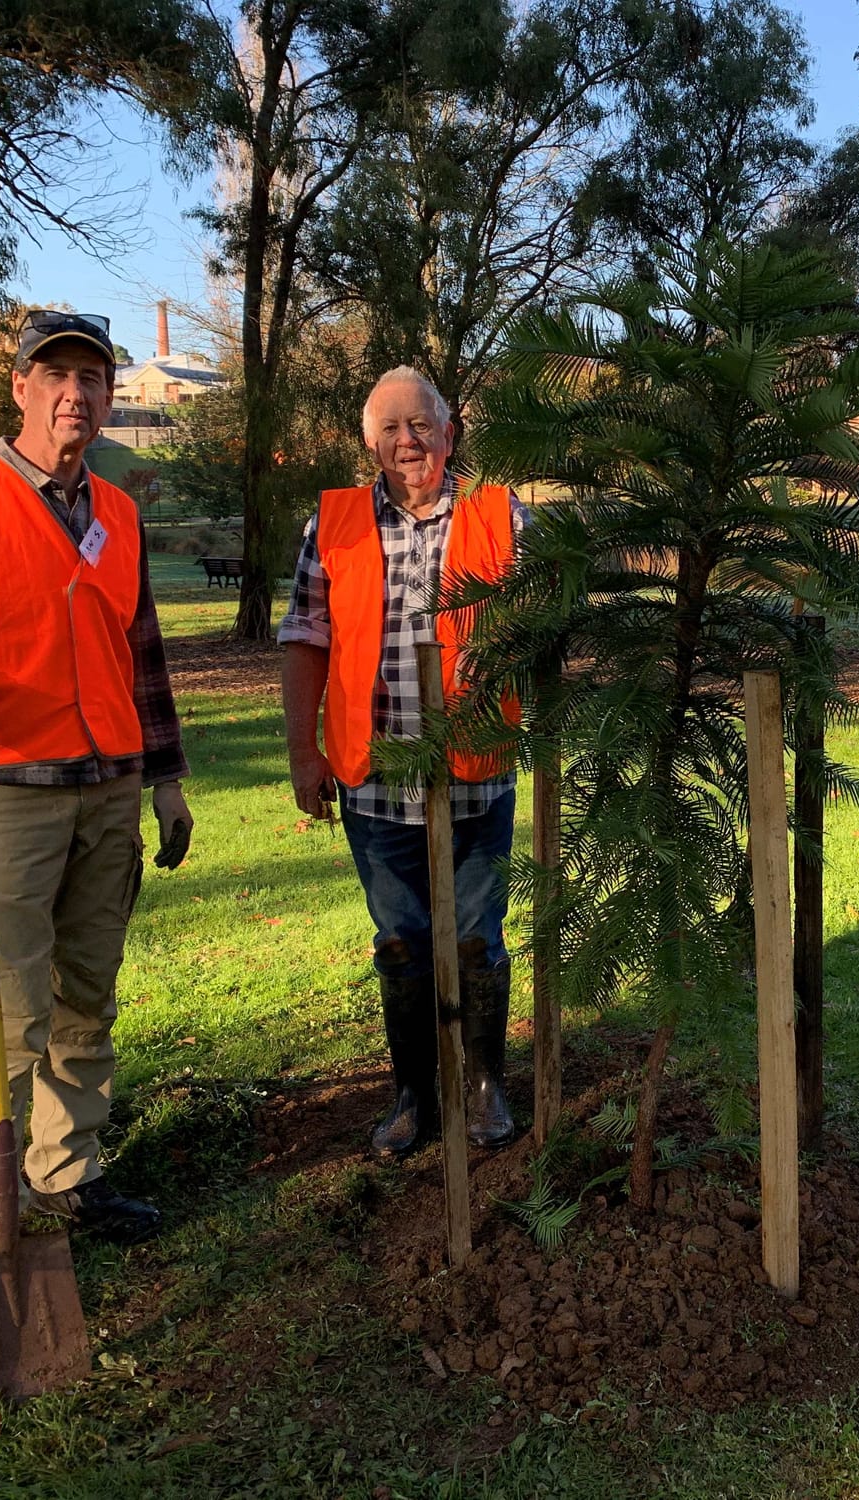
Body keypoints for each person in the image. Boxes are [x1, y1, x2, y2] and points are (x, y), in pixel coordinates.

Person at [0, 308, 193, 1253]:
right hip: (8, 788)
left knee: (87, 994)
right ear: (19, 386)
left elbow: (142, 654)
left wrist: (166, 779)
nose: (74, 394)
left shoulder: (122, 511)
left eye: (92, 378)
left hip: (108, 783)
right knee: (6, 1004)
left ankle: (68, 1173)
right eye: (54, 376)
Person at [279, 367, 528, 1158]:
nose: (407, 441)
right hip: (373, 780)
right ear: (369, 442)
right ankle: (414, 1093)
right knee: (401, 938)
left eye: (421, 424)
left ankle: (484, 1087)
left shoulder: (503, 514)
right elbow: (306, 640)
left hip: (476, 772)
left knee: (475, 936)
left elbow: (551, 620)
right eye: (390, 428)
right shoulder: (333, 524)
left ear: (450, 434)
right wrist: (302, 754)